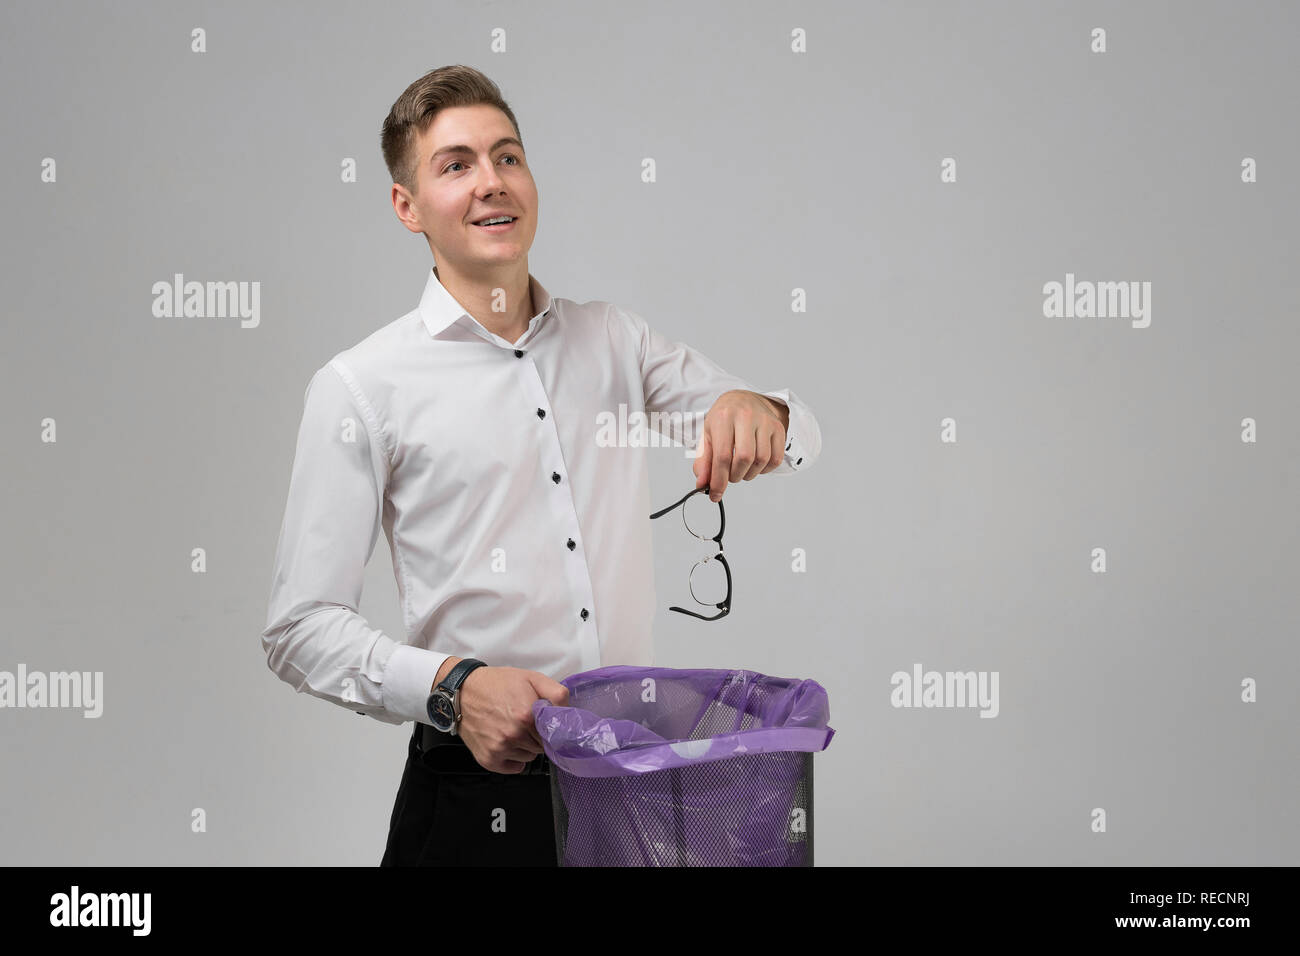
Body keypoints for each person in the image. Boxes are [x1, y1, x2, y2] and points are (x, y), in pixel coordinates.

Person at [260, 65, 823, 867]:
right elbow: (299, 629)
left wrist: (755, 409)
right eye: (456, 165)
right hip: (473, 793)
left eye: (508, 156)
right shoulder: (360, 387)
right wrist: (454, 688)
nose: (491, 182)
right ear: (407, 206)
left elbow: (794, 434)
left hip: (634, 783)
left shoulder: (615, 341)